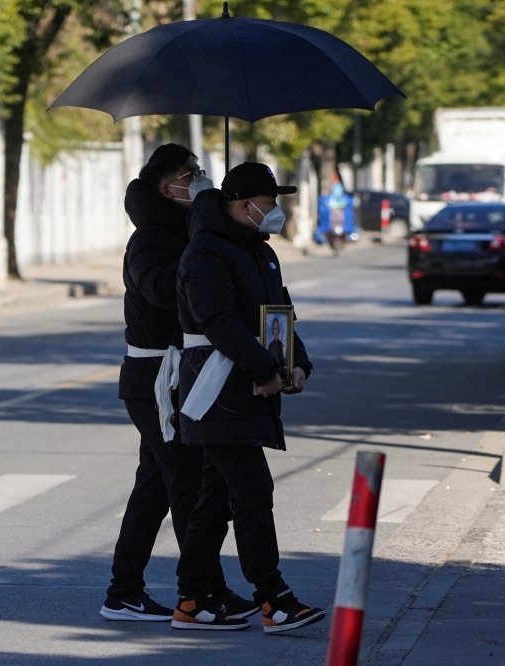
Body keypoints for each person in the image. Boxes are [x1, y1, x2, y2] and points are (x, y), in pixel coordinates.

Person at [101, 144, 258, 623]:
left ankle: (123, 591)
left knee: (153, 489)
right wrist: (203, 246)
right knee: (188, 483)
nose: (200, 179)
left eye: (201, 171)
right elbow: (163, 289)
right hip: (154, 380)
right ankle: (202, 592)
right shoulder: (150, 238)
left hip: (177, 377)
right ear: (168, 189)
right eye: (190, 175)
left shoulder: (193, 232)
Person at [172, 163, 324, 632]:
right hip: (218, 389)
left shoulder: (260, 251)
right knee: (253, 493)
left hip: (248, 387)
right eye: (270, 203)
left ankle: (194, 598)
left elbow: (280, 309)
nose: (275, 211)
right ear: (243, 205)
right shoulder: (205, 254)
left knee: (216, 500)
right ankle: (273, 598)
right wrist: (261, 368)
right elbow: (216, 321)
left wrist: (296, 361)